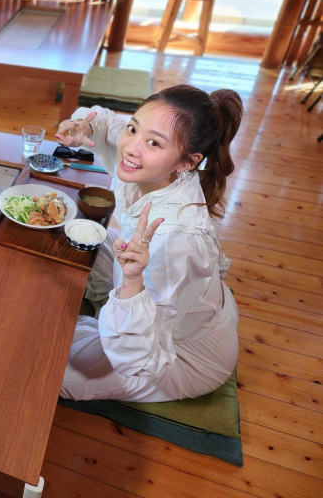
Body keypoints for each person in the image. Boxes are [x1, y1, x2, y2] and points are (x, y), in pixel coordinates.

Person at [56, 84, 243, 402]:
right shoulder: (150, 157)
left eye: (153, 142)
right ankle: (109, 312)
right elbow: (104, 121)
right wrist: (84, 126)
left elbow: (138, 359)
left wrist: (131, 282)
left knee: (48, 362)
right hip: (168, 288)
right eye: (133, 128)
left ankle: (110, 315)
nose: (130, 148)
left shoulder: (174, 243)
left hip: (179, 355)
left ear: (187, 162)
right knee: (69, 234)